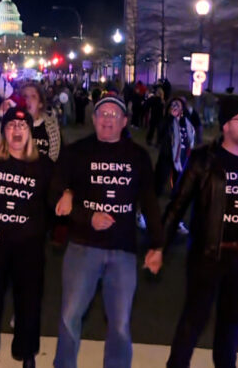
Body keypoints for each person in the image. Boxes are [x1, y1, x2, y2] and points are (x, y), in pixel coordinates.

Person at [151, 96, 238, 368]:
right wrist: (159, 247)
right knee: (192, 321)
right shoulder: (205, 160)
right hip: (207, 257)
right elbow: (177, 206)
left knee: (231, 326)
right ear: (226, 126)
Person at [51, 96, 164, 368]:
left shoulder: (138, 156)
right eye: (102, 114)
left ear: (125, 121)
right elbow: (53, 192)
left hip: (123, 250)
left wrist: (157, 246)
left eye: (114, 115)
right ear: (93, 119)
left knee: (121, 323)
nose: (107, 119)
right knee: (69, 317)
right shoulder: (77, 152)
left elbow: (149, 201)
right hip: (82, 247)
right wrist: (87, 216)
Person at [0, 107, 54, 368]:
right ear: (3, 131)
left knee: (29, 302)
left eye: (22, 127)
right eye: (11, 126)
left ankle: (27, 352)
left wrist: (68, 197)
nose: (16, 131)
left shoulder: (43, 165)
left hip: (29, 245)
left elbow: (55, 198)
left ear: (30, 132)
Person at [155, 98, 195, 200]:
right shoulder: (166, 119)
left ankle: (176, 193)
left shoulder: (186, 120)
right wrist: (170, 119)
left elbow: (191, 135)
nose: (174, 107)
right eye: (172, 105)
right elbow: (161, 133)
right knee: (162, 174)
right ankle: (157, 191)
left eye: (177, 105)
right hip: (167, 152)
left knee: (179, 176)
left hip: (182, 153)